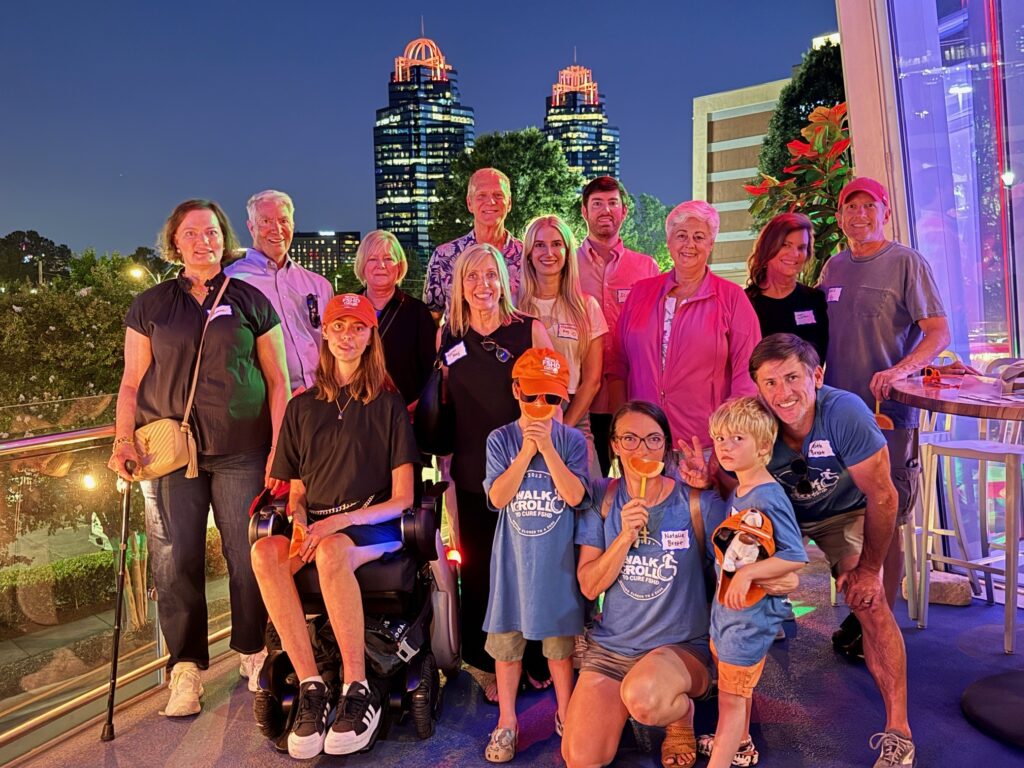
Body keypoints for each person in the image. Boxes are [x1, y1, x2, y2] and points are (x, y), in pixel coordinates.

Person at [108, 199, 290, 716]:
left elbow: (279, 382)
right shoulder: (150, 305)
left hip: (243, 452)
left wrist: (280, 448)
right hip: (168, 457)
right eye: (191, 234)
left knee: (247, 556)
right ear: (175, 243)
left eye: (211, 231)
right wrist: (124, 441)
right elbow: (130, 382)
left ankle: (253, 651)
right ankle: (184, 668)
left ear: (223, 237)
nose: (204, 241)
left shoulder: (252, 299)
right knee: (173, 561)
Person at [250, 293, 420, 759]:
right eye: (339, 327)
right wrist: (302, 521)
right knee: (264, 552)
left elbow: (403, 497)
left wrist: (338, 523)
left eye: (358, 328)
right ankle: (311, 686)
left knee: (330, 551)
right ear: (325, 332)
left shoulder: (388, 404)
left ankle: (356, 687)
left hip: (370, 524)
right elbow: (299, 491)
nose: (348, 336)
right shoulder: (303, 407)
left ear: (370, 337)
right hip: (320, 525)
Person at [748, 333, 916, 767]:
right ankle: (734, 724)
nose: (782, 393)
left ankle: (899, 729)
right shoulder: (753, 421)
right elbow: (731, 484)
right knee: (734, 597)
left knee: (871, 601)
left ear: (817, 375)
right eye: (769, 383)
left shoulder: (844, 412)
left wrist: (868, 569)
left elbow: (883, 498)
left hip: (843, 514)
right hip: (781, 517)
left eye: (791, 377)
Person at [820, 177, 951, 653]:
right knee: (849, 517)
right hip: (837, 414)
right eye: (849, 208)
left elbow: (937, 332)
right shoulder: (833, 267)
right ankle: (862, 613)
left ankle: (883, 622)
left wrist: (901, 370)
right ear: (839, 217)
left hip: (886, 413)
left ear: (885, 211)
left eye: (867, 206)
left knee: (885, 516)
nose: (859, 215)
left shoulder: (906, 263)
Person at [440, 243, 553, 702]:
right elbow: (442, 405)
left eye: (490, 275)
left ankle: (536, 656)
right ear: (460, 286)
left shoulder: (528, 330)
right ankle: (487, 661)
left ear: (503, 281)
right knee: (482, 568)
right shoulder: (448, 336)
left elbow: (553, 401)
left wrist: (546, 460)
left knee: (530, 565)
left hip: (524, 467)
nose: (483, 285)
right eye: (472, 277)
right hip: (470, 469)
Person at [482, 348, 589, 762]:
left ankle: (567, 712)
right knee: (506, 650)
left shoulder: (572, 440)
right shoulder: (501, 439)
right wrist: (527, 452)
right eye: (532, 397)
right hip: (512, 566)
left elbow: (577, 496)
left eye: (551, 398)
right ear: (516, 392)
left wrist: (548, 451)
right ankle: (507, 721)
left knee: (559, 650)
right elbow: (497, 496)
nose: (541, 407)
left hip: (556, 565)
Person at [698, 397, 806, 768]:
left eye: (736, 438)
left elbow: (794, 555)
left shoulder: (767, 496)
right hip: (728, 616)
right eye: (720, 439)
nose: (725, 447)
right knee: (734, 696)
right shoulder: (741, 490)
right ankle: (740, 744)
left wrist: (747, 574)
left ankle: (728, 749)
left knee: (729, 705)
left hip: (748, 622)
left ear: (763, 446)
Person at [608, 200, 760, 449]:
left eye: (699, 237)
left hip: (706, 444)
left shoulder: (732, 298)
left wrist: (726, 437)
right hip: (642, 442)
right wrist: (622, 427)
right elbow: (617, 366)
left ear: (711, 244)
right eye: (681, 236)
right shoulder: (640, 293)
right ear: (669, 242)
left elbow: (748, 374)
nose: (689, 244)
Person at [577, 176, 660, 475]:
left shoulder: (647, 269)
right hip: (584, 401)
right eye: (597, 204)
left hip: (634, 395)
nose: (605, 210)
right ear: (584, 211)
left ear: (624, 211)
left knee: (639, 484)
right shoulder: (566, 267)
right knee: (592, 490)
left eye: (613, 203)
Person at [518, 215, 608, 475]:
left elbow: (592, 381)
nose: (549, 252)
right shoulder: (514, 307)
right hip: (526, 417)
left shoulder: (586, 307)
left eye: (557, 244)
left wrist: (563, 428)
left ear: (568, 252)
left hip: (574, 416)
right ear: (528, 254)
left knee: (588, 505)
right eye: (539, 245)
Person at [225, 190, 334, 393]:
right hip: (264, 405)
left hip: (321, 399)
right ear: (251, 227)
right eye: (265, 221)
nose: (276, 229)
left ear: (293, 224)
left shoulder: (319, 285)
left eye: (283, 220)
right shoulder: (229, 283)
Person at [423, 168, 523, 320]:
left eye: (498, 195)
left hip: (518, 343)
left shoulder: (527, 256)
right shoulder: (444, 256)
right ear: (469, 203)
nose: (490, 202)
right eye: (481, 196)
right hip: (459, 342)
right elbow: (431, 317)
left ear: (509, 203)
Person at [352, 229, 436, 407]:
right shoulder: (348, 310)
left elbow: (430, 370)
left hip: (406, 413)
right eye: (372, 259)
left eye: (388, 259)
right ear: (362, 265)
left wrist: (419, 405)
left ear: (399, 266)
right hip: (355, 412)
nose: (381, 265)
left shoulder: (417, 312)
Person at [745, 212, 828, 362]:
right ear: (768, 247)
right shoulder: (745, 304)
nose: (794, 254)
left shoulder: (815, 300)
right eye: (786, 245)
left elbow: (819, 359)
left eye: (801, 247)